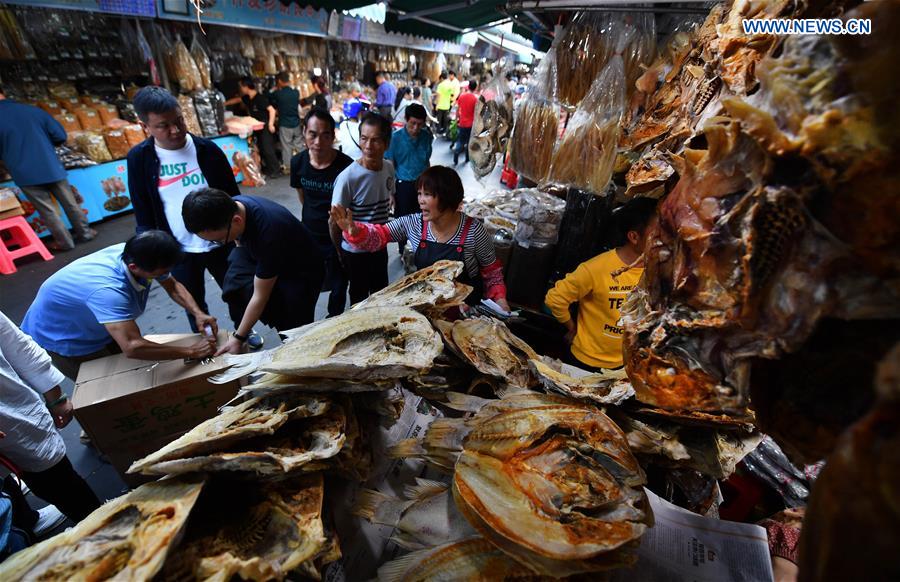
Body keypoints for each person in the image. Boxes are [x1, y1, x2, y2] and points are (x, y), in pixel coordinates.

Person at [128, 86, 250, 338]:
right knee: (192, 302)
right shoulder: (139, 159)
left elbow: (233, 197)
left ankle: (243, 333)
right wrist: (150, 251)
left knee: (237, 292)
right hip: (177, 249)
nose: (175, 130)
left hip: (220, 243)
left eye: (179, 120)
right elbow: (143, 209)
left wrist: (240, 239)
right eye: (163, 126)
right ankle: (206, 339)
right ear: (145, 126)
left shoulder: (208, 151)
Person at [20, 231, 218, 381]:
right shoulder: (108, 292)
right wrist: (191, 351)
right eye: (161, 272)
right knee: (106, 390)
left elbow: (172, 285)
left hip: (96, 323)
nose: (165, 275)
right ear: (134, 267)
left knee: (133, 376)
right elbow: (133, 347)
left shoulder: (140, 253)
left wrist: (198, 313)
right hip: (64, 337)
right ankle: (95, 434)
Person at [330, 165, 509, 311]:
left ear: (447, 197)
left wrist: (500, 300)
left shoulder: (474, 231)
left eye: (428, 194)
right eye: (419, 193)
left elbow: (492, 272)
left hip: (467, 310)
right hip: (430, 307)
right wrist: (355, 231)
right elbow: (380, 235)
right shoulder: (414, 224)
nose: (420, 200)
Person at [182, 189, 325, 354]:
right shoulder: (232, 205)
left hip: (300, 272)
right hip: (267, 256)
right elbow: (238, 242)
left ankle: (302, 354)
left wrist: (239, 338)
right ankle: (246, 328)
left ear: (237, 220)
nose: (221, 243)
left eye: (220, 240)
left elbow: (260, 296)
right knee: (234, 283)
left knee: (293, 328)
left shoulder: (269, 232)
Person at [0, 311, 101, 526]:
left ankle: (101, 528)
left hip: (10, 415)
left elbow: (15, 344)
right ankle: (24, 520)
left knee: (54, 479)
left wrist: (56, 397)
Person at [544, 198, 658, 371]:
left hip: (621, 365)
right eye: (657, 234)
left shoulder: (655, 271)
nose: (664, 239)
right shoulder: (596, 268)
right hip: (584, 362)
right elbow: (555, 299)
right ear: (634, 237)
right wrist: (573, 328)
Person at [0, 87, 95, 252]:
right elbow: (60, 136)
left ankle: (65, 243)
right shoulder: (33, 111)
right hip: (50, 165)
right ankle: (85, 233)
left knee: (47, 210)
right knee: (70, 202)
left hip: (23, 172)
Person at [290, 108, 353, 317]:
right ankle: (306, 325)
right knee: (308, 284)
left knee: (338, 284)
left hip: (338, 237)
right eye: (313, 134)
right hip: (309, 235)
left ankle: (333, 319)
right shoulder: (297, 163)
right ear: (304, 133)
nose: (318, 141)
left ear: (333, 136)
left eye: (325, 135)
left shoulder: (345, 166)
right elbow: (302, 196)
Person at [329, 113, 395, 305]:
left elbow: (389, 195)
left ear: (386, 143)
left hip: (379, 246)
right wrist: (340, 251)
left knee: (381, 294)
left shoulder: (389, 168)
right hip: (355, 252)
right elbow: (334, 221)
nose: (367, 146)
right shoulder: (348, 178)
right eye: (364, 139)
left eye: (375, 140)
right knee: (359, 299)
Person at [384, 104, 432, 261]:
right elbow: (390, 166)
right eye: (413, 123)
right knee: (403, 220)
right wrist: (390, 192)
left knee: (422, 217)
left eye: (420, 124)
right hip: (402, 185)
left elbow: (427, 161)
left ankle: (419, 247)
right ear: (406, 120)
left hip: (423, 185)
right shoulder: (395, 139)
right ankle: (402, 250)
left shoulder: (426, 137)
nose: (416, 128)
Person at [235, 77, 279, 177]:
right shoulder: (247, 98)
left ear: (246, 86)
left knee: (268, 149)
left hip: (265, 126)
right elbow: (237, 100)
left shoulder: (260, 98)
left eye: (241, 86)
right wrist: (224, 103)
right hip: (256, 128)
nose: (240, 88)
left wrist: (271, 124)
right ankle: (268, 169)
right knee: (262, 149)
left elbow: (271, 110)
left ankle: (276, 170)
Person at [270, 72, 302, 174]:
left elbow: (269, 97)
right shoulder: (296, 92)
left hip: (285, 124)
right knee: (299, 145)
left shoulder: (278, 94)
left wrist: (274, 90)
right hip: (296, 122)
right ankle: (304, 163)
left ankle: (288, 168)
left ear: (279, 81)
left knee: (286, 147)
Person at [454, 80, 478, 166]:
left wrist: (457, 118)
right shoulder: (475, 98)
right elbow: (476, 113)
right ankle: (467, 158)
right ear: (475, 88)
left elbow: (457, 109)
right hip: (471, 124)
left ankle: (457, 151)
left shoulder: (462, 96)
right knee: (469, 142)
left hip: (462, 123)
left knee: (460, 140)